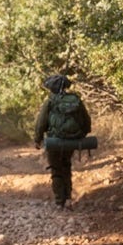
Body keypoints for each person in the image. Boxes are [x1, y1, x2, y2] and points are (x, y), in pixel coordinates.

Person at [33, 73, 91, 209]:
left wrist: (38, 139)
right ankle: (69, 199)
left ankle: (60, 201)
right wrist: (81, 134)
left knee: (56, 170)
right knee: (66, 166)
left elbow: (41, 122)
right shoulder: (75, 99)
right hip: (71, 140)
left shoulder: (50, 102)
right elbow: (86, 120)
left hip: (55, 140)